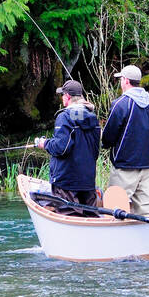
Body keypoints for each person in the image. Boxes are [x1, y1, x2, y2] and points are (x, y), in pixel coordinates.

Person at [33, 79, 101, 215]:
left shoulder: (65, 117)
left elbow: (60, 148)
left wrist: (44, 143)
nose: (62, 98)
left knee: (70, 216)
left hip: (66, 181)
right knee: (91, 217)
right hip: (87, 180)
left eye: (63, 95)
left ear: (68, 96)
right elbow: (95, 149)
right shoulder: (92, 117)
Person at [100, 65, 149, 215]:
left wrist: (103, 143)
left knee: (113, 210)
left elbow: (108, 137)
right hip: (147, 166)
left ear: (126, 80)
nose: (120, 82)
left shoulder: (120, 104)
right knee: (145, 212)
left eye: (120, 79)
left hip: (124, 167)